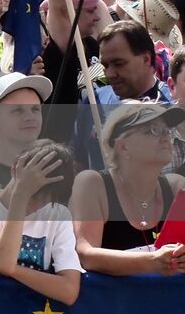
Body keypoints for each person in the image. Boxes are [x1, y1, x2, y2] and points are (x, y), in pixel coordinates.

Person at [70, 102, 185, 273]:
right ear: (123, 147)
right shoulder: (92, 184)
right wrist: (153, 261)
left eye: (167, 131)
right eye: (153, 130)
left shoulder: (177, 186)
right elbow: (85, 255)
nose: (165, 137)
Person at [0, 140, 82, 305]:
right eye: (33, 196)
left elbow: (69, 291)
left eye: (45, 201)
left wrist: (6, 269)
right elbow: (4, 262)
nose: (35, 206)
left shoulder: (58, 214)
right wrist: (20, 196)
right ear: (15, 170)